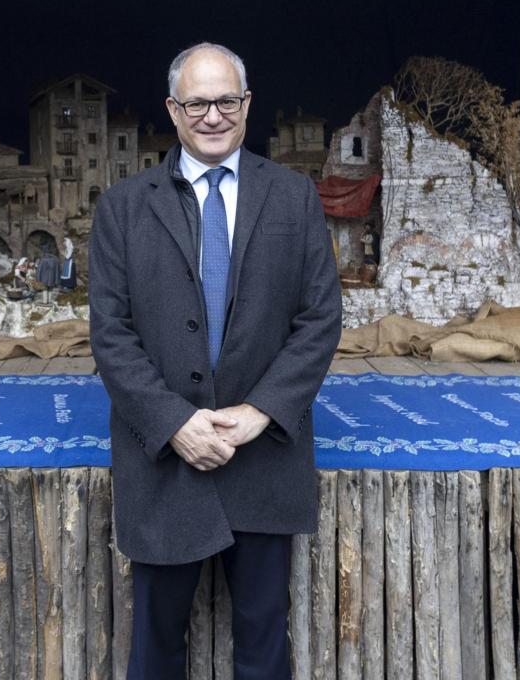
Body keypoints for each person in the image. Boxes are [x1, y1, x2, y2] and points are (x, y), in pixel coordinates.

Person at [89, 42, 342, 679]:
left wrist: (262, 412)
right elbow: (111, 335)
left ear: (247, 105)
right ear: (173, 110)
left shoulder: (294, 198)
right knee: (155, 651)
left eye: (226, 100)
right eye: (197, 103)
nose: (213, 115)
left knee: (263, 649)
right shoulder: (122, 208)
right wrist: (173, 422)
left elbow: (320, 320)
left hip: (261, 456)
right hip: (164, 466)